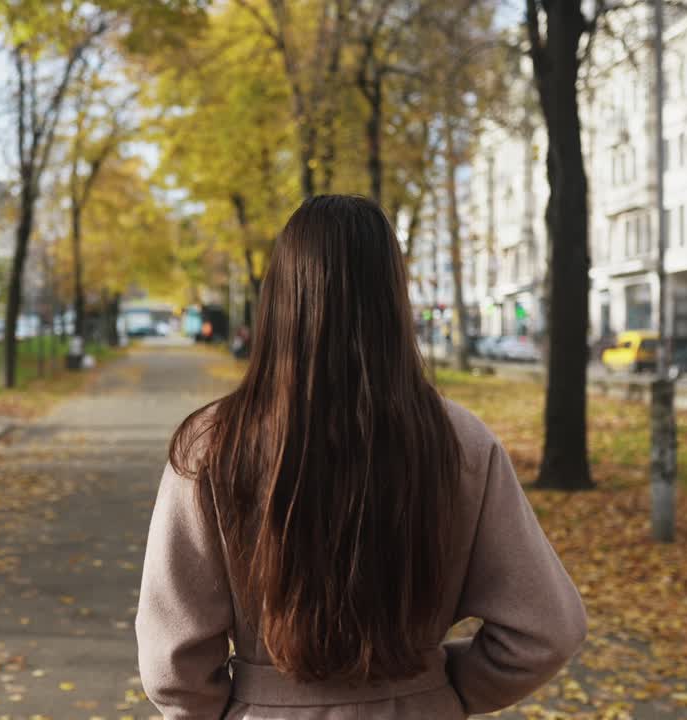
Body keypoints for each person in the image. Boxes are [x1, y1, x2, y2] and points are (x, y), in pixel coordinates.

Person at [136, 196, 585, 719]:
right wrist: (440, 689)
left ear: (279, 296)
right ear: (394, 299)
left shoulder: (213, 447)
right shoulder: (460, 442)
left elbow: (172, 662)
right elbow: (547, 628)